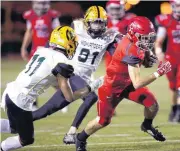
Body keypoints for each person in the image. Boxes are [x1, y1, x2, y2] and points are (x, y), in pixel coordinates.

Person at [75, 16, 172, 151]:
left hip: (127, 84)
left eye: (149, 37)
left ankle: (147, 125)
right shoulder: (131, 50)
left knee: (152, 104)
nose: (148, 41)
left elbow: (141, 49)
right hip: (111, 88)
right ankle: (80, 138)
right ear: (134, 34)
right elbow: (137, 83)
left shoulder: (133, 39)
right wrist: (158, 73)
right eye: (144, 37)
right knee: (103, 121)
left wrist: (148, 56)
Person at [30, 6, 121, 144]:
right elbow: (57, 38)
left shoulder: (109, 37)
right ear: (87, 21)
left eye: (101, 22)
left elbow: (119, 53)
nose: (98, 26)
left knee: (43, 112)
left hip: (82, 79)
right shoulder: (76, 27)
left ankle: (9, 123)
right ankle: (71, 132)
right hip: (69, 72)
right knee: (91, 96)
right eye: (95, 22)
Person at [0, 26, 99, 151]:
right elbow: (69, 96)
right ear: (67, 43)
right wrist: (90, 88)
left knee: (14, 127)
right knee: (26, 139)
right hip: (20, 100)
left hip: (11, 90)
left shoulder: (41, 50)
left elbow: (47, 77)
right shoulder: (62, 61)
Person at [21, 0, 60, 109]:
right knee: (32, 76)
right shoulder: (30, 16)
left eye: (43, 3)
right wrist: (24, 47)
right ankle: (33, 103)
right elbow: (29, 32)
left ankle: (63, 98)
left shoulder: (52, 16)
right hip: (36, 51)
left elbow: (58, 32)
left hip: (50, 50)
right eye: (39, 3)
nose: (41, 6)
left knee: (54, 77)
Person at [155, 0, 180, 122]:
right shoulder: (167, 20)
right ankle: (174, 109)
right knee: (174, 87)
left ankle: (179, 112)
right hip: (171, 57)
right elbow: (159, 41)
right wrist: (159, 52)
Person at [105, 0, 136, 67]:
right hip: (110, 53)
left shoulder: (129, 18)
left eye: (117, 9)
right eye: (112, 9)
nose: (115, 12)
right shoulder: (104, 20)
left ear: (122, 8)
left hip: (126, 52)